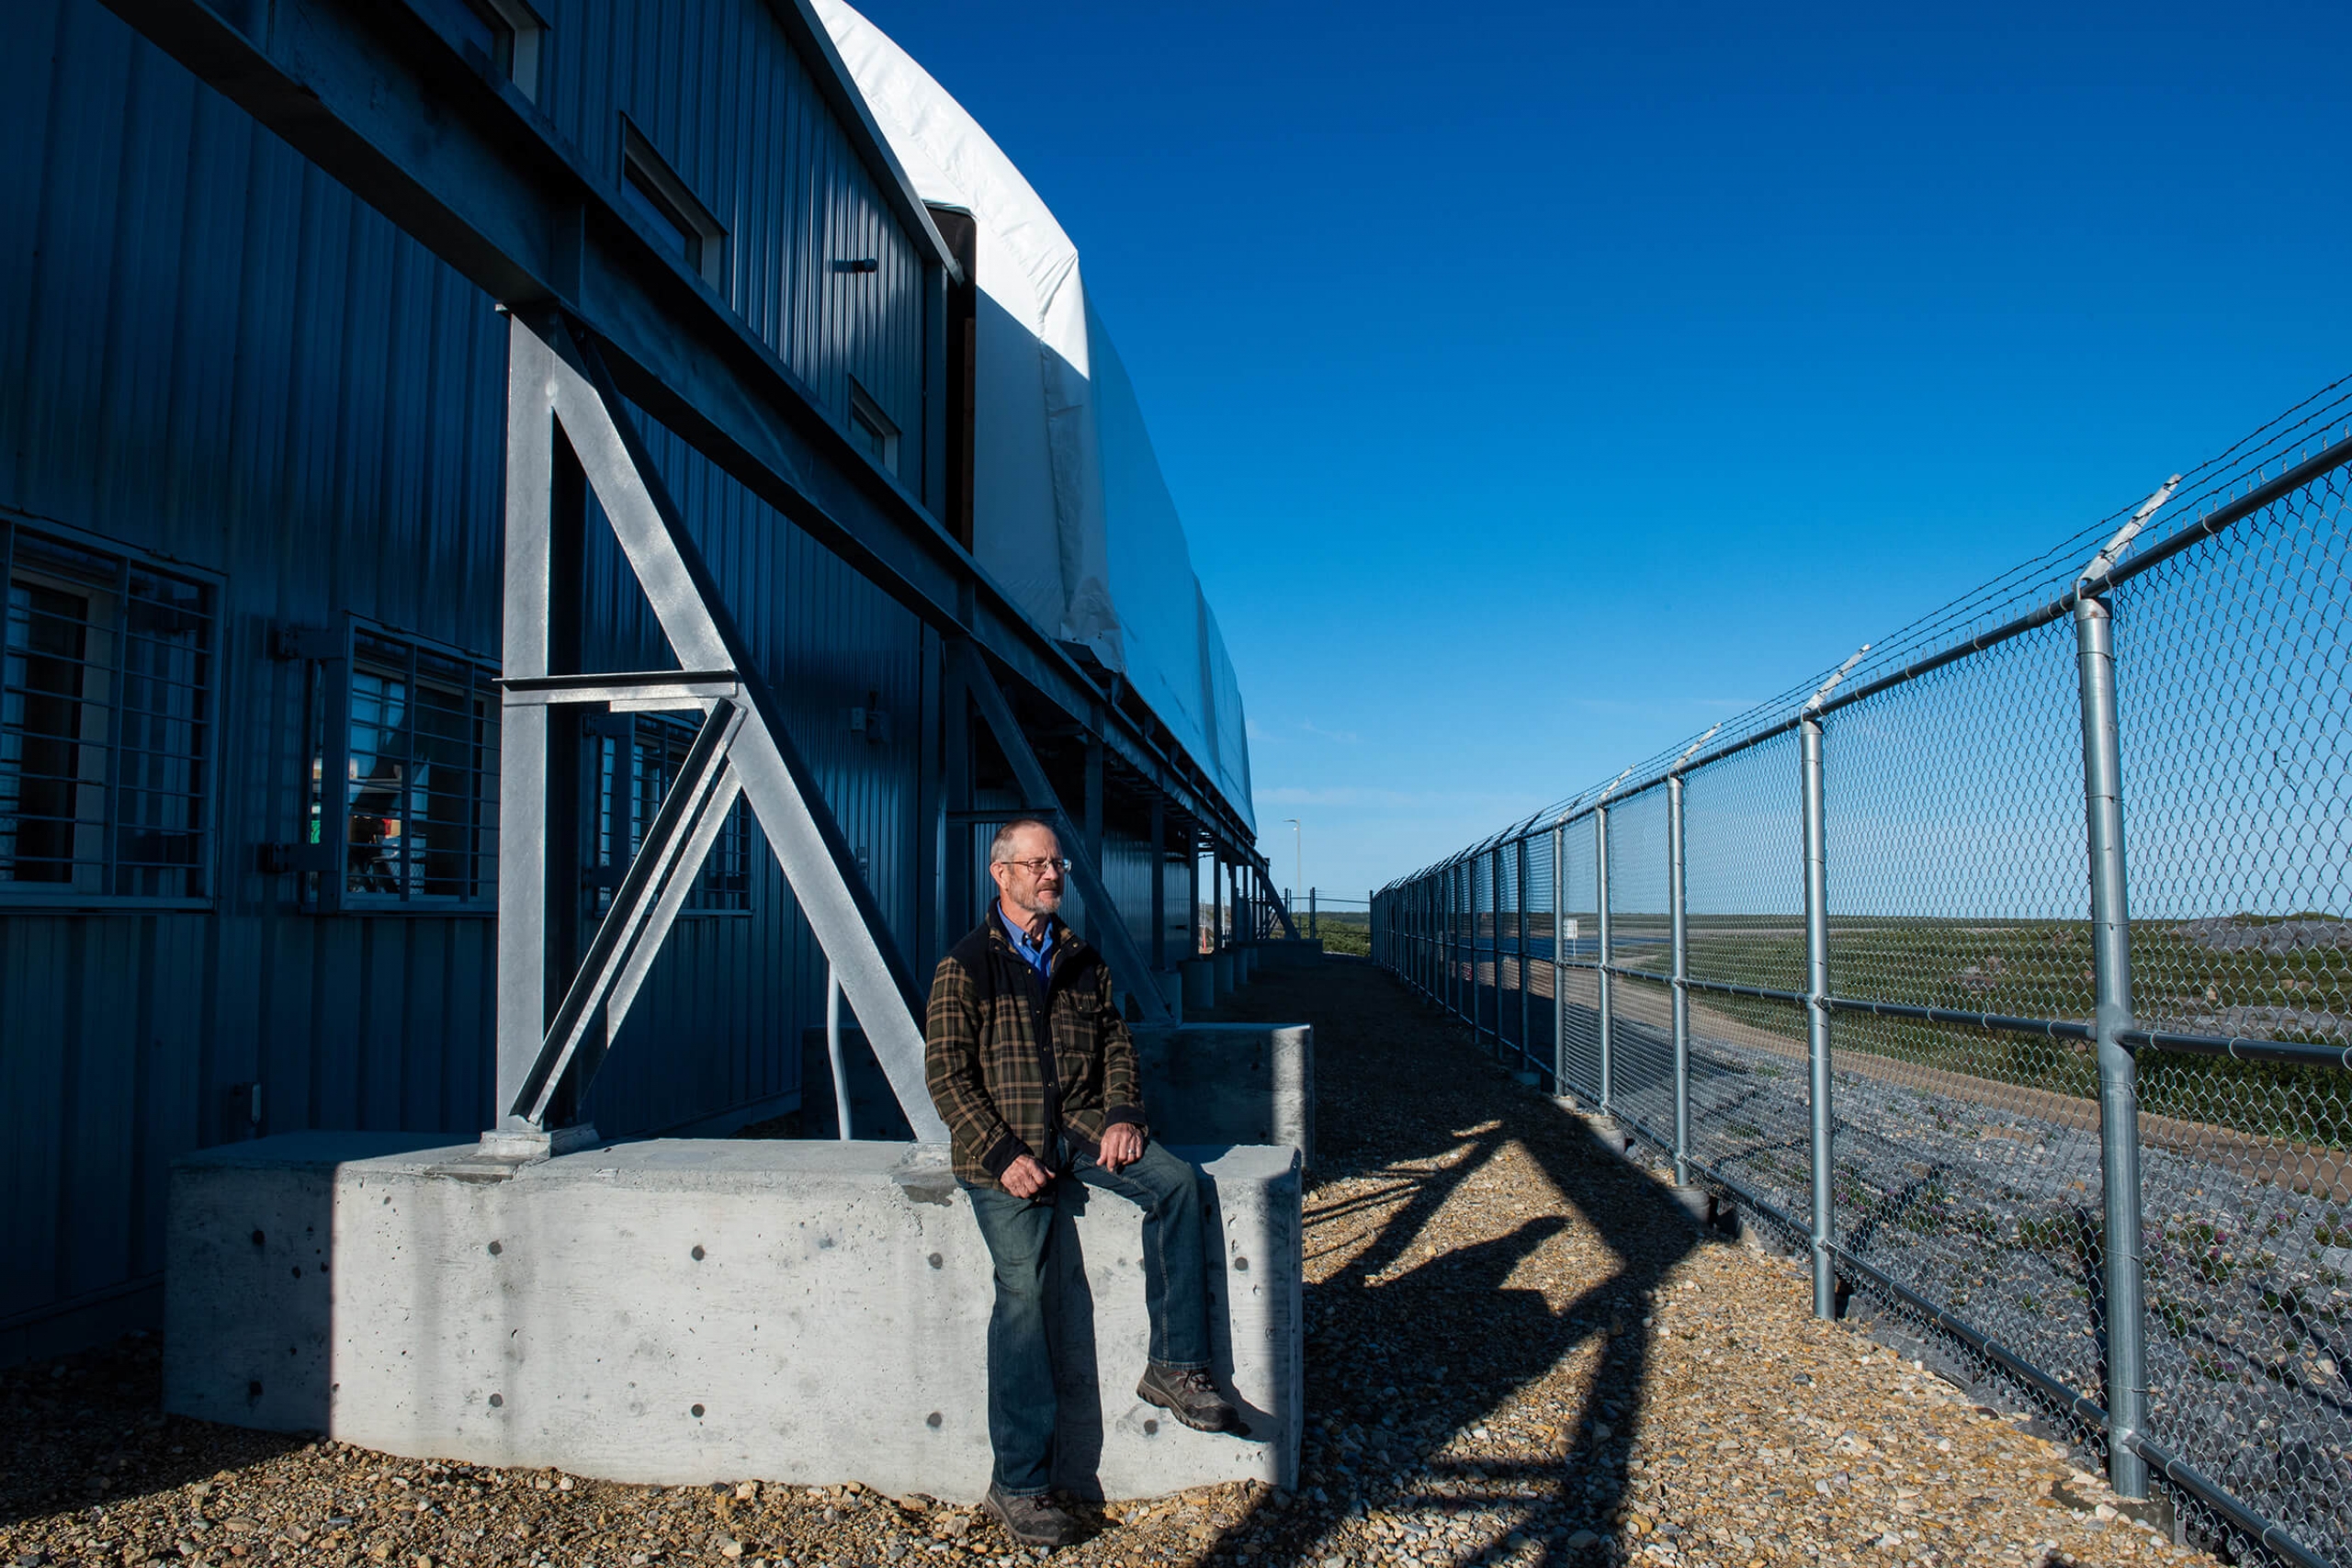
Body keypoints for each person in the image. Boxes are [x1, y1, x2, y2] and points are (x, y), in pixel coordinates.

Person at [925, 818, 1237, 1548]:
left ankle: (1177, 1366)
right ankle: (1021, 1483)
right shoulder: (965, 965)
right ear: (999, 874)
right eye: (1036, 863)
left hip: (1082, 1129)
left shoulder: (1081, 958)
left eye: (1056, 863)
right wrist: (1002, 1151)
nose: (1052, 874)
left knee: (1181, 1184)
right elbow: (946, 1074)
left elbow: (1117, 1043)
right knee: (1025, 1294)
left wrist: (1125, 1112)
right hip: (1007, 1148)